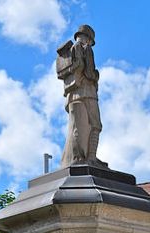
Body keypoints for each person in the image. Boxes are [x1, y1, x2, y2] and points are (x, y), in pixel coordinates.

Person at [56, 25, 106, 167]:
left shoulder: (69, 51)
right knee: (96, 125)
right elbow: (90, 73)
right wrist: (97, 75)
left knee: (77, 126)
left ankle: (78, 157)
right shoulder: (86, 49)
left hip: (72, 94)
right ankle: (91, 157)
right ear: (89, 38)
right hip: (87, 93)